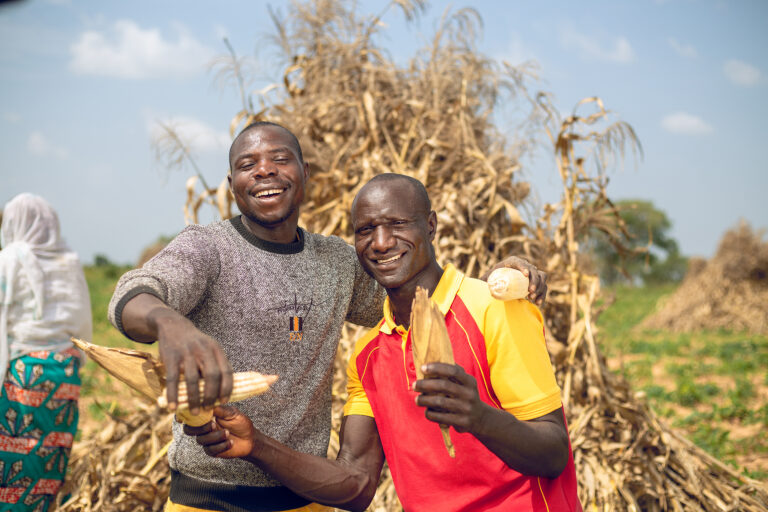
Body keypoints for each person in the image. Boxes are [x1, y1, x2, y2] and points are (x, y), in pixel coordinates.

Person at [108, 121, 547, 512]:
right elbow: (131, 298)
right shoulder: (208, 249)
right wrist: (171, 323)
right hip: (207, 498)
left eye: (280, 159)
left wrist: (502, 278)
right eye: (248, 164)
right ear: (232, 183)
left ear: (304, 176)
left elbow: (415, 289)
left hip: (307, 498)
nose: (264, 170)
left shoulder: (338, 261)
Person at [187, 173, 582, 511]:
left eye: (397, 224)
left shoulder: (494, 311)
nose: (380, 242)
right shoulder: (368, 356)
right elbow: (356, 483)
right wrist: (255, 445)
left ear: (431, 225)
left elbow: (553, 452)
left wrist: (478, 417)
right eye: (365, 230)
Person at [0, 193, 92, 511]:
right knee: (49, 457)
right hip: (65, 371)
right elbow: (82, 318)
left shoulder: (9, 259)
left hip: (24, 374)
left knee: (14, 460)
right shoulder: (69, 259)